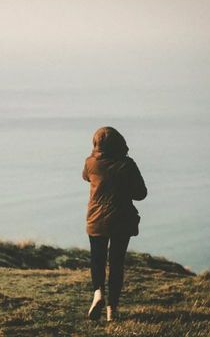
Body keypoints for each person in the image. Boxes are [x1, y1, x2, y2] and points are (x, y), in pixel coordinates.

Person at [82, 126, 147, 321]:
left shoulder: (90, 163)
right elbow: (141, 194)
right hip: (121, 219)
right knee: (117, 263)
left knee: (97, 259)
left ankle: (98, 294)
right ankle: (112, 310)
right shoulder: (127, 165)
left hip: (96, 220)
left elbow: (86, 177)